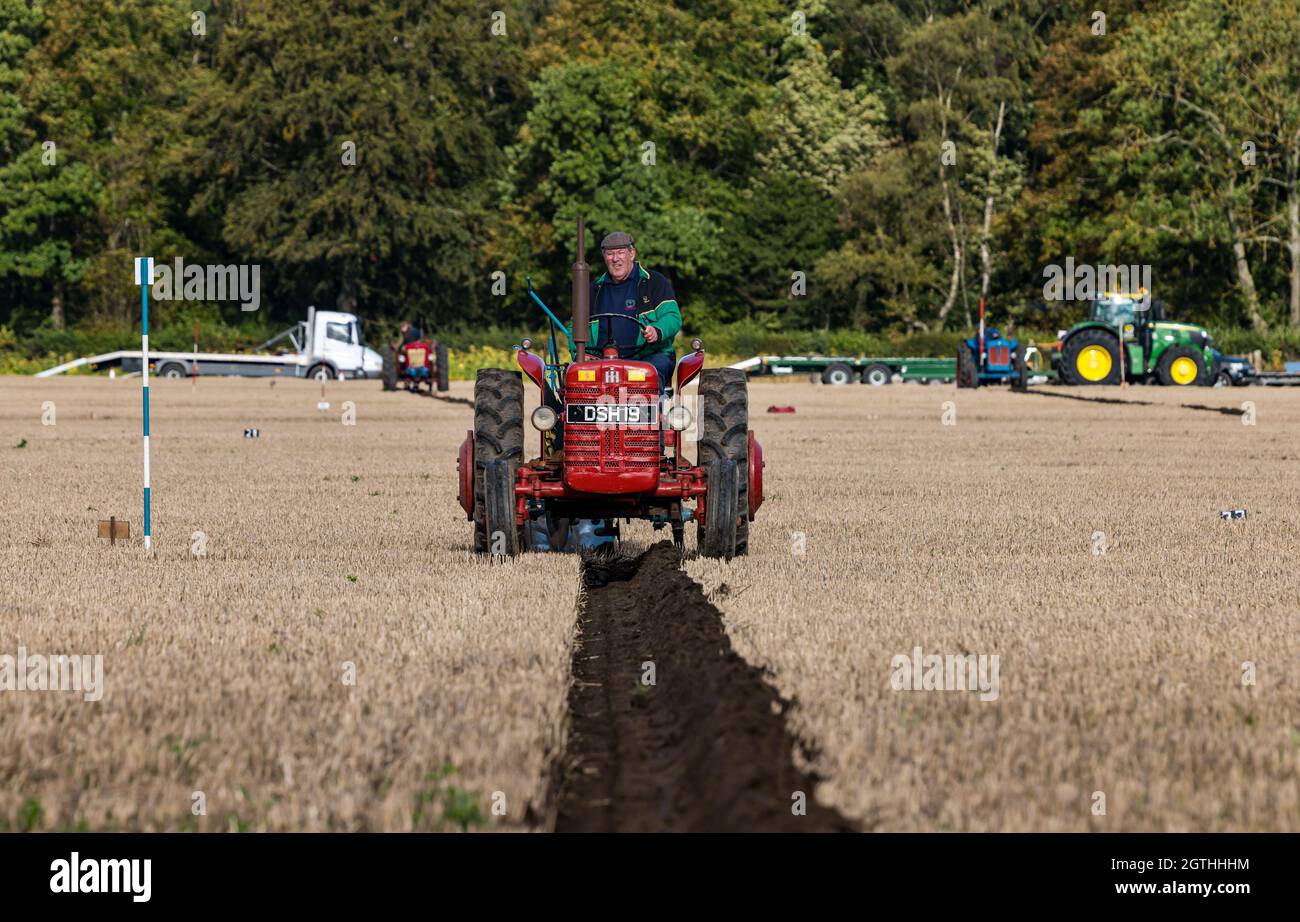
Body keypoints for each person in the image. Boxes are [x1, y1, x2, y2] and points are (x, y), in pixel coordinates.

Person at [587, 231, 681, 393]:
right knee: (576, 379)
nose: (615, 259)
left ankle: (649, 416)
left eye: (621, 252)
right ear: (604, 257)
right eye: (610, 254)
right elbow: (576, 325)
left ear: (632, 254)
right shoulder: (595, 289)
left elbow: (672, 317)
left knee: (649, 375)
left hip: (648, 356)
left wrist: (657, 330)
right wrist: (581, 353)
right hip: (602, 359)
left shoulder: (654, 282)